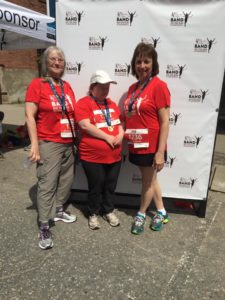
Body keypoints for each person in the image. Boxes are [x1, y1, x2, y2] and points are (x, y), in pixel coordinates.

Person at [25, 46, 77, 250]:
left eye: (61, 60)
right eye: (53, 59)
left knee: (66, 181)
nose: (57, 63)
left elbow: (71, 114)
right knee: (47, 184)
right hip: (49, 143)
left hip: (68, 143)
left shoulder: (67, 86)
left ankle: (58, 209)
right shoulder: (37, 84)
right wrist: (35, 145)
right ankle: (44, 225)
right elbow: (29, 115)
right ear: (46, 62)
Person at [123, 42, 171, 234]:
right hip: (137, 143)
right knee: (150, 180)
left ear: (154, 64)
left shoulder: (159, 86)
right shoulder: (134, 87)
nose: (142, 65)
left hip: (152, 146)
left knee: (147, 182)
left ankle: (141, 214)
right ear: (134, 64)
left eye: (147, 61)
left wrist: (160, 152)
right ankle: (161, 211)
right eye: (139, 61)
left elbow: (165, 122)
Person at [75, 70, 124, 230]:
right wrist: (107, 138)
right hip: (93, 157)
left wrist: (121, 134)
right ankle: (93, 213)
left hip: (115, 156)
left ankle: (108, 210)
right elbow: (84, 125)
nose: (106, 90)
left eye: (107, 86)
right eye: (102, 86)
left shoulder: (112, 104)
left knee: (110, 185)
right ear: (92, 87)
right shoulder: (83, 102)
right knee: (96, 186)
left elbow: (120, 123)